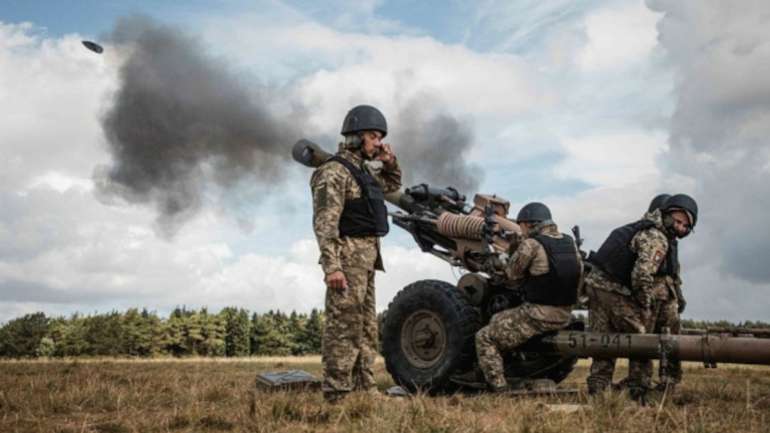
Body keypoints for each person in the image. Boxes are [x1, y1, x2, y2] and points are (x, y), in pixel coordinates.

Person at [310, 105, 402, 402]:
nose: (379, 143)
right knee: (343, 327)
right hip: (347, 259)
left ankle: (365, 389)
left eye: (380, 138)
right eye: (374, 137)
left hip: (366, 260)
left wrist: (389, 162)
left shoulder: (363, 172)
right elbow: (325, 222)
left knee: (365, 328)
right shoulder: (333, 172)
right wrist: (332, 267)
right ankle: (337, 393)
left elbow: (392, 184)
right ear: (356, 136)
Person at [453, 202, 583, 391]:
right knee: (500, 319)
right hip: (565, 314)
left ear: (530, 224)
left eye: (521, 226)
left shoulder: (532, 244)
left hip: (538, 315)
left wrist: (502, 259)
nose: (520, 231)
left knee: (485, 336)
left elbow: (510, 276)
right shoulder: (570, 243)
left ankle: (498, 386)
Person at [586, 193, 697, 401]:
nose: (681, 228)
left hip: (596, 287)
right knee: (640, 337)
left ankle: (599, 388)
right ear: (665, 214)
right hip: (613, 291)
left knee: (603, 338)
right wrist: (644, 304)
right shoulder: (657, 237)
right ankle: (639, 386)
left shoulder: (639, 229)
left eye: (686, 226)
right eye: (678, 221)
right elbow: (641, 275)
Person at [614, 194, 686, 392]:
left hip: (667, 295)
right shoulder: (650, 234)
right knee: (643, 341)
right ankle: (639, 382)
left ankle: (670, 381)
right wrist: (643, 298)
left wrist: (679, 295)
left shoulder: (670, 240)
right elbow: (641, 271)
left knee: (672, 339)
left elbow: (674, 271)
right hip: (651, 294)